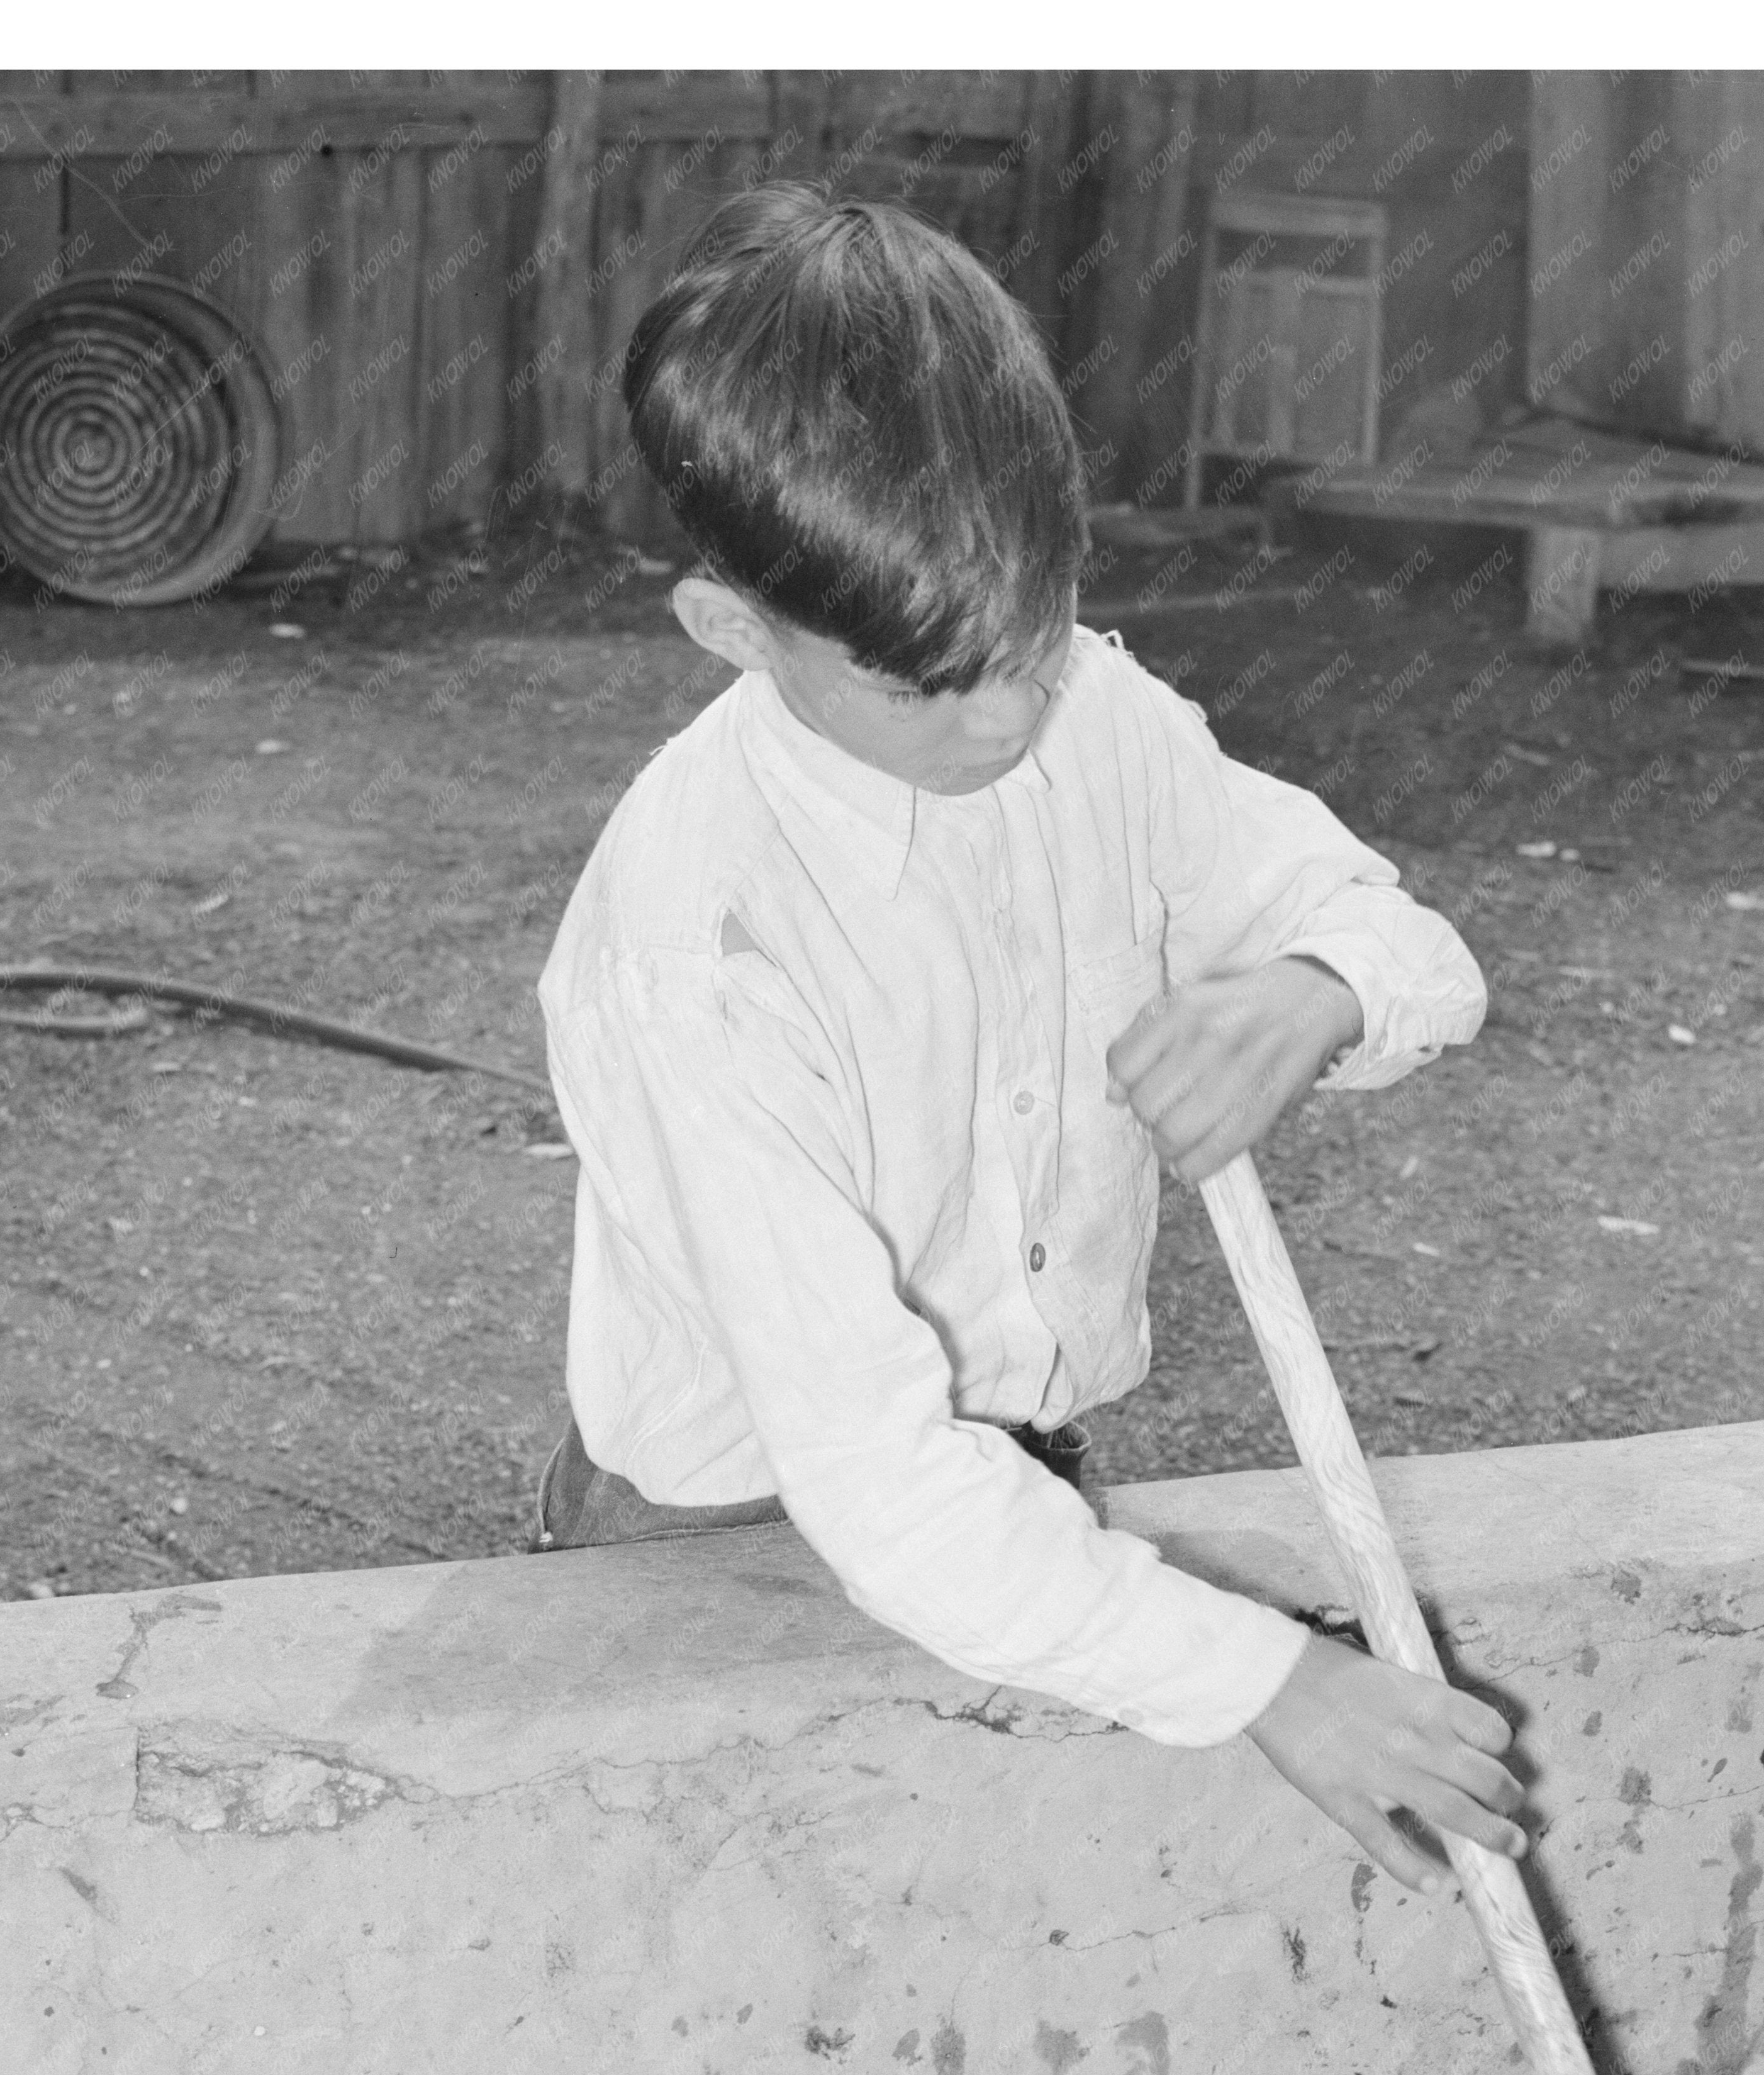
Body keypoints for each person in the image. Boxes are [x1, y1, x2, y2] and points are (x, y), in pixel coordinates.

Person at [533, 186, 1526, 1897]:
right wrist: (1270, 1682)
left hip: (1006, 1492)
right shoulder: (697, 950)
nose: (1002, 720)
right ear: (731, 629)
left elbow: (1404, 947)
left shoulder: (1097, 715)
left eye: (1026, 638)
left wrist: (1312, 992)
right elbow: (880, 1483)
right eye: (923, 681)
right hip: (736, 1538)